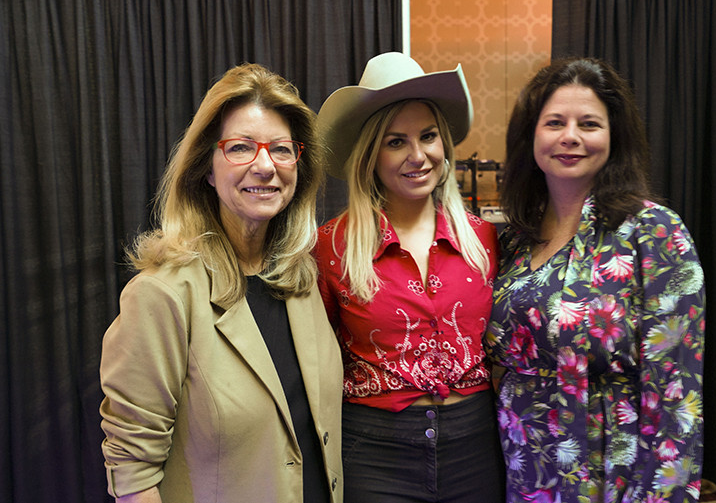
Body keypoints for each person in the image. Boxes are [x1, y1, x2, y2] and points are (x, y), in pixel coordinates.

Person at [99, 63, 343, 503]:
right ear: (207, 169)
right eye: (241, 148)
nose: (265, 166)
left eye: (281, 149)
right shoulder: (162, 295)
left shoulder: (301, 278)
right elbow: (134, 476)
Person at [485, 57, 706, 502]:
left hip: (613, 471)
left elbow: (676, 395)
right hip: (522, 468)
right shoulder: (513, 239)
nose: (570, 136)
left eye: (588, 124)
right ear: (531, 136)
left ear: (614, 136)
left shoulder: (654, 231)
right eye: (554, 123)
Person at [314, 51, 506, 502]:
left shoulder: (483, 238)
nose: (418, 156)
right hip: (374, 450)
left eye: (428, 136)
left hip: (475, 445)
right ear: (371, 155)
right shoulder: (332, 246)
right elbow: (316, 358)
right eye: (396, 141)